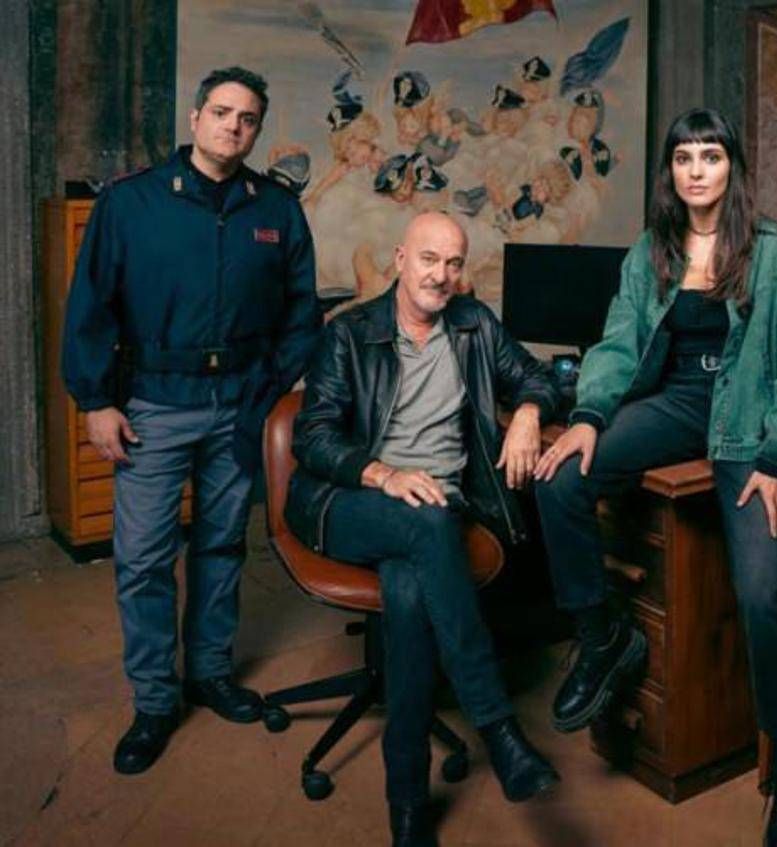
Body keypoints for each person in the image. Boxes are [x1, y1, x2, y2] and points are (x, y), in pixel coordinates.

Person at [532, 107, 777, 847]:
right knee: (559, 478)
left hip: (747, 418)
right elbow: (617, 341)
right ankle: (603, 637)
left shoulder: (776, 254)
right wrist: (589, 415)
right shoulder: (651, 250)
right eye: (684, 157)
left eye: (711, 156)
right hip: (674, 403)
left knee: (764, 591)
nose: (697, 170)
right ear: (670, 171)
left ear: (733, 167)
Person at [61, 66, 321, 775]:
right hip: (153, 405)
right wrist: (96, 400)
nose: (234, 126)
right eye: (223, 112)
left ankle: (209, 671)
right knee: (144, 559)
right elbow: (90, 306)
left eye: (248, 118)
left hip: (240, 403)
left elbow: (303, 314)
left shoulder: (276, 209)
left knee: (222, 546)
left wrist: (268, 390)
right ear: (196, 116)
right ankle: (154, 702)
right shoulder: (131, 202)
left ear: (256, 130)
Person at [285, 212, 561, 847]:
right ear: (400, 260)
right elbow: (312, 436)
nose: (442, 275)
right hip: (348, 501)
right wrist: (383, 474)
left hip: (434, 510)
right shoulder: (351, 333)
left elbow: (537, 377)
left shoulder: (474, 326)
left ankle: (407, 802)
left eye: (454, 263)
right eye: (429, 259)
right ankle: (498, 727)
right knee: (428, 522)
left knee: (410, 596)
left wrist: (526, 412)